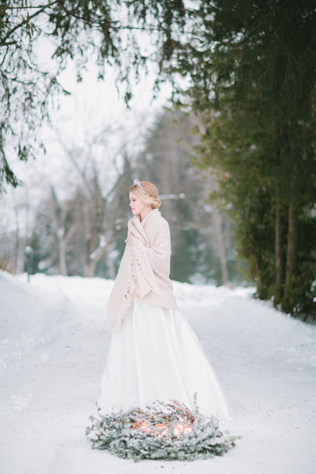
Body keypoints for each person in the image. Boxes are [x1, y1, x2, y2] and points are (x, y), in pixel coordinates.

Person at [97, 179, 243, 420]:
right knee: (132, 344)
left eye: (134, 199)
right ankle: (131, 395)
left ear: (146, 200)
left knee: (159, 344)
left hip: (155, 294)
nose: (130, 204)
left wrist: (139, 247)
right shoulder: (133, 225)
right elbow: (127, 263)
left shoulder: (160, 225)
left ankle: (168, 394)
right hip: (135, 294)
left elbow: (161, 262)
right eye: (130, 200)